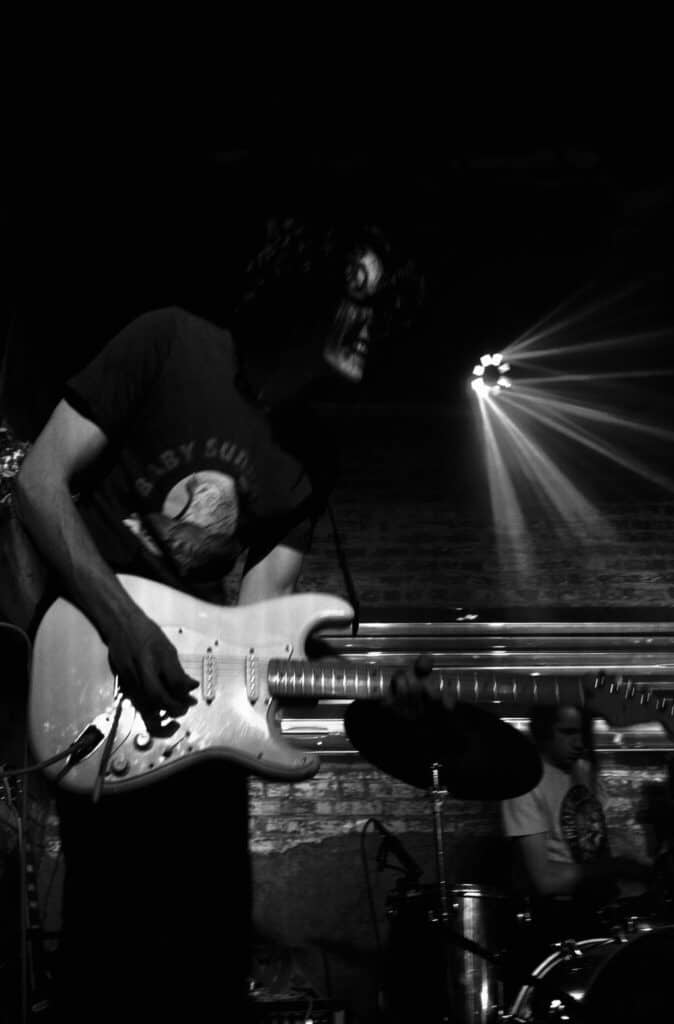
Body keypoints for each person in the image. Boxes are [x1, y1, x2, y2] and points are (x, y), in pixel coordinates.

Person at [10, 215, 425, 1023]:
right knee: (109, 955)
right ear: (306, 289)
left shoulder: (311, 457)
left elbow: (260, 637)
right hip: (95, 673)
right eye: (361, 297)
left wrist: (376, 687)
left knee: (210, 959)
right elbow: (39, 481)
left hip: (194, 716)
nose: (374, 324)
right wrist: (124, 623)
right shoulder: (169, 342)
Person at [501, 704, 652, 965]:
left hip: (600, 910)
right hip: (557, 919)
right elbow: (544, 880)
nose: (579, 743)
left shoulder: (584, 772)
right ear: (543, 732)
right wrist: (616, 867)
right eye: (568, 732)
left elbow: (596, 844)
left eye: (583, 733)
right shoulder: (525, 783)